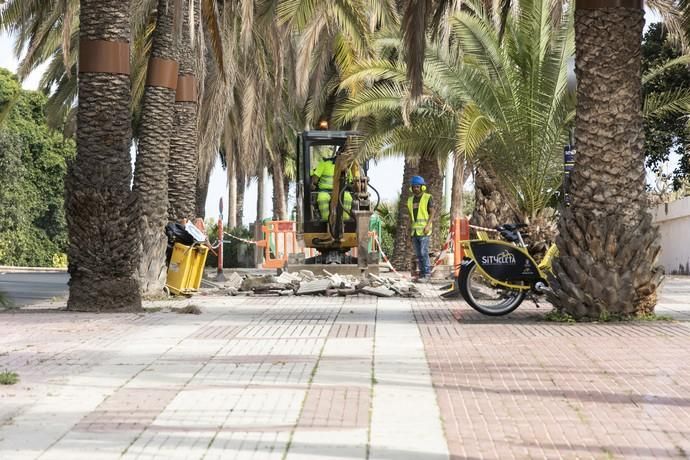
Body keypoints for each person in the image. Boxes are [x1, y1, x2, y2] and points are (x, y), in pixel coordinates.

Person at [310, 148, 352, 221]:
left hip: (341, 192)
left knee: (347, 197)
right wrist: (313, 183)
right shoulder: (324, 163)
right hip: (325, 191)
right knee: (322, 198)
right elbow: (315, 179)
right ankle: (326, 221)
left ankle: (345, 221)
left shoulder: (348, 168)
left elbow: (350, 182)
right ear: (337, 154)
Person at [407, 175, 434, 281]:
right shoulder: (410, 200)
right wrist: (408, 230)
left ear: (422, 187)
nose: (415, 189)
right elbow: (410, 217)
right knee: (418, 254)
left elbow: (432, 213)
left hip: (424, 230)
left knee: (423, 252)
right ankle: (422, 274)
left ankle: (427, 274)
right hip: (414, 232)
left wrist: (427, 226)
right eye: (414, 187)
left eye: (417, 186)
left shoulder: (428, 197)